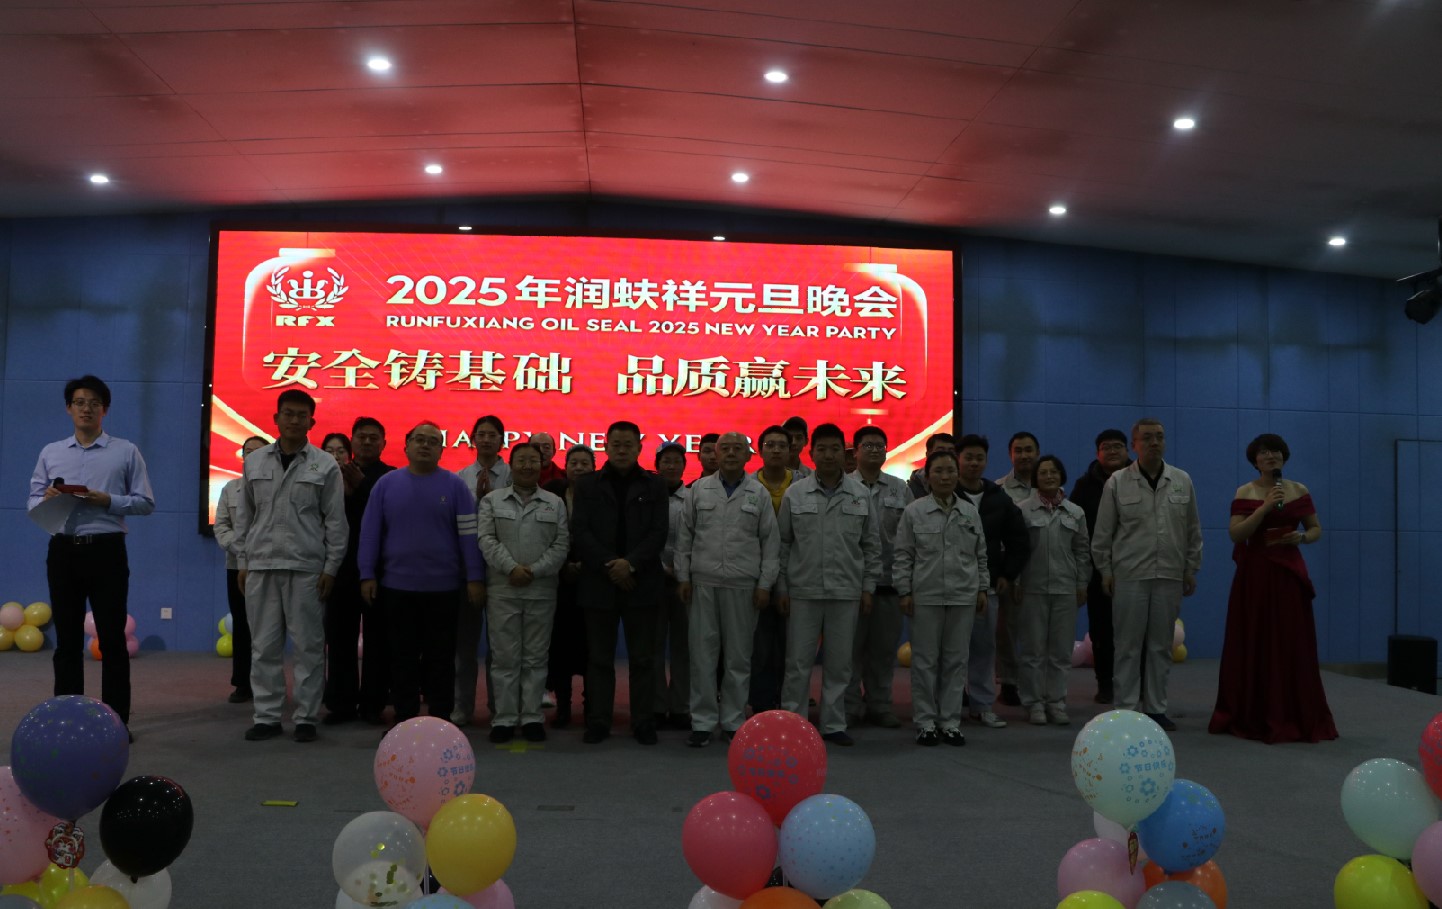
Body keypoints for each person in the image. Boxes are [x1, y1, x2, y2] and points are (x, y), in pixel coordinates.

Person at [28, 375, 155, 739]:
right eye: (80, 402)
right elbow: (32, 501)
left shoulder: (125, 451)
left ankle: (116, 724)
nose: (87, 408)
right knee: (67, 642)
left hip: (106, 549)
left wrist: (108, 500)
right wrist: (46, 500)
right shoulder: (51, 452)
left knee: (112, 640)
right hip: (63, 550)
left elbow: (146, 502)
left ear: (105, 410)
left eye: (94, 403)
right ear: (69, 408)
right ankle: (67, 722)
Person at [233, 389, 348, 743]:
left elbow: (336, 522)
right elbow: (245, 518)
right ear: (276, 418)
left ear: (312, 421)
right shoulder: (254, 462)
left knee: (309, 647)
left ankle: (306, 718)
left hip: (306, 568)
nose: (295, 420)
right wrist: (243, 561)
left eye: (301, 415)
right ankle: (267, 717)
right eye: (288, 413)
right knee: (263, 647)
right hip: (262, 566)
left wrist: (331, 568)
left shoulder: (324, 465)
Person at [1209, 434, 1336, 743]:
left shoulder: (1299, 490)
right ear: (1255, 460)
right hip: (1255, 575)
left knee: (1291, 640)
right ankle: (1253, 711)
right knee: (1256, 637)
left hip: (1289, 574)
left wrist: (1301, 537)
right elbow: (1236, 534)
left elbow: (1315, 528)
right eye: (1264, 452)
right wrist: (1264, 508)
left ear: (1284, 457)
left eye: (1276, 451)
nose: (1271, 456)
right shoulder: (1246, 491)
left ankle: (1294, 711)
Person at [358, 422, 484, 725]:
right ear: (406, 445)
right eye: (419, 439)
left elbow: (469, 536)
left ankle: (440, 722)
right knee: (402, 658)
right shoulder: (386, 484)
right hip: (397, 587)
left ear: (441, 450)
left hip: (444, 590)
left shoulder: (455, 486)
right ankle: (405, 720)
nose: (425, 445)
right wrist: (367, 574)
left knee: (441, 659)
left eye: (433, 441)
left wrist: (475, 577)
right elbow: (370, 532)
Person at [1092, 418, 1202, 732]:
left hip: (1169, 573)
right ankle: (1126, 709)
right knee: (1127, 645)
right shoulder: (1117, 482)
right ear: (1134, 445)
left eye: (1160, 437)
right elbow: (1103, 533)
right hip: (1129, 574)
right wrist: (1105, 570)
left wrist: (1191, 567)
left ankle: (1156, 709)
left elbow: (1193, 529)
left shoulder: (1181, 480)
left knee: (1160, 645)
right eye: (1148, 438)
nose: (1155, 442)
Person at [777, 423, 880, 747]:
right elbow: (783, 544)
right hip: (803, 590)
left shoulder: (860, 494)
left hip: (846, 590)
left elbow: (871, 546)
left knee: (839, 663)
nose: (828, 455)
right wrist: (782, 587)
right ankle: (794, 723)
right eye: (821, 449)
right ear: (811, 453)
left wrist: (868, 588)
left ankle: (833, 724)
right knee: (798, 662)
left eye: (835, 449)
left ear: (844, 453)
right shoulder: (796, 493)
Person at [677, 431, 779, 747]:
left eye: (738, 448)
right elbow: (684, 538)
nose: (731, 453)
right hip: (703, 583)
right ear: (715, 455)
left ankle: (734, 720)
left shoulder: (758, 493)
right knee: (702, 656)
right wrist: (683, 577)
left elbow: (770, 543)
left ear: (748, 456)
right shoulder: (698, 490)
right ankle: (703, 722)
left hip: (743, 586)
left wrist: (765, 584)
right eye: (726, 449)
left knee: (738, 658)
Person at [571, 421, 669, 745]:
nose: (622, 450)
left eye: (628, 444)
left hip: (642, 583)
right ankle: (599, 721)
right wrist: (612, 565)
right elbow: (580, 531)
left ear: (639, 448)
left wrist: (630, 564)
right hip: (599, 583)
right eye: (616, 444)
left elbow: (658, 532)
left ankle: (643, 721)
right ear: (606, 446)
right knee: (599, 659)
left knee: (643, 659)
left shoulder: (655, 485)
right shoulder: (587, 485)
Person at [894, 450, 988, 747]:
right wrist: (904, 591)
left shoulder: (969, 511)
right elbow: (903, 554)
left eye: (950, 471)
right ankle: (925, 722)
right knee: (924, 661)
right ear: (927, 476)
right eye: (938, 471)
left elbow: (980, 554)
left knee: (956, 661)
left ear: (957, 475)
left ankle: (950, 722)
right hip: (926, 595)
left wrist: (982, 588)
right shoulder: (914, 511)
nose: (945, 477)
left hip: (963, 595)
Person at [478, 442, 570, 743]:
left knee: (535, 657)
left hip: (541, 590)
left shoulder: (554, 503)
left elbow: (561, 545)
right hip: (503, 590)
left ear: (541, 465)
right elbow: (486, 539)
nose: (527, 466)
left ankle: (531, 717)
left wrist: (534, 570)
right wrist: (511, 568)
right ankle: (504, 719)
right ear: (512, 464)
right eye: (521, 460)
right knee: (504, 658)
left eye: (533, 460)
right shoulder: (492, 500)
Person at [324, 416, 395, 726]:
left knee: (379, 641)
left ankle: (372, 705)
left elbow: (389, 517)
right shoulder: (332, 474)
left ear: (383, 443)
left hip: (379, 570)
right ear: (351, 441)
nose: (367, 442)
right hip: (340, 567)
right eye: (361, 437)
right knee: (340, 638)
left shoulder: (392, 477)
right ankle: (340, 704)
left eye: (373, 438)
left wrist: (363, 488)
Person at [955, 434, 1029, 730]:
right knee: (949, 652)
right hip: (949, 588)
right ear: (958, 460)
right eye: (968, 457)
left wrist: (1007, 575)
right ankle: (946, 708)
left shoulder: (998, 497)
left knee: (984, 649)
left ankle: (982, 706)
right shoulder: (945, 493)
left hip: (986, 588)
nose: (974, 463)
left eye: (979, 458)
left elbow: (1019, 540)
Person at [844, 426, 912, 729]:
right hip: (850, 584)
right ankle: (848, 706)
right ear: (856, 451)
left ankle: (880, 705)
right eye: (868, 445)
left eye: (879, 446)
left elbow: (910, 537)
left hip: (889, 583)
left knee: (883, 652)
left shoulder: (900, 488)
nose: (874, 450)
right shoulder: (844, 486)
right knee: (849, 652)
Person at [1015, 455, 1091, 726]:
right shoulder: (1022, 510)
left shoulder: (1075, 512)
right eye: (1043, 472)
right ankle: (1034, 703)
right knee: (1033, 651)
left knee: (1060, 652)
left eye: (1053, 472)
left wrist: (1081, 584)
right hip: (1032, 588)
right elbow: (1016, 551)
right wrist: (1016, 583)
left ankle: (1056, 702)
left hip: (1065, 589)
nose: (1049, 476)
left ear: (1061, 475)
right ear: (1036, 478)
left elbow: (1082, 551)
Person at [454, 414, 510, 726]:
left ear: (502, 440)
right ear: (473, 439)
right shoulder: (460, 478)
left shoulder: (514, 475)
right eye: (481, 434)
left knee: (501, 649)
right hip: (467, 570)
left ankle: (499, 708)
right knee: (464, 647)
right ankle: (461, 708)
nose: (486, 439)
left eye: (492, 435)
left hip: (504, 570)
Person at [1070, 429, 1132, 704]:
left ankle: (1135, 683)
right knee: (1102, 629)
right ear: (1098, 453)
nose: (1113, 451)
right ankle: (1105, 683)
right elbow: (1076, 527)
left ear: (1128, 450)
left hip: (1134, 566)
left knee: (1134, 630)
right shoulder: (1084, 486)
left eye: (1118, 446)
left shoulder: (1140, 479)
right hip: (1097, 569)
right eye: (1106, 447)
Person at [214, 435, 269, 704]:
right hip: (237, 566)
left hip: (269, 565)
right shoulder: (230, 488)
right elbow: (221, 525)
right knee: (242, 625)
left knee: (267, 628)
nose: (252, 456)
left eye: (259, 452)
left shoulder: (275, 488)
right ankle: (242, 683)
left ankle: (267, 683)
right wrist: (239, 548)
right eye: (248, 452)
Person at [544, 444, 594, 727]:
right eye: (574, 462)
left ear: (594, 467)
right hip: (559, 581)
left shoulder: (602, 494)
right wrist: (564, 566)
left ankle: (591, 707)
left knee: (591, 648)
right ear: (566, 466)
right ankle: (563, 706)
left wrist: (586, 564)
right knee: (560, 648)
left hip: (593, 580)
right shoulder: (553, 492)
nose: (579, 467)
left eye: (585, 463)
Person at [749, 424, 795, 714]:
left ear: (791, 451)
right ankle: (762, 703)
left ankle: (790, 703)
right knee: (760, 646)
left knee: (792, 648)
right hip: (755, 578)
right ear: (760, 450)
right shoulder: (748, 486)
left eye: (782, 445)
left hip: (795, 577)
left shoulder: (802, 484)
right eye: (770, 445)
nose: (776, 450)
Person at [994, 431, 1040, 707]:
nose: (1024, 455)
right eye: (1018, 450)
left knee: (1038, 632)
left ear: (1037, 453)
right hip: (1012, 572)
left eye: (1029, 450)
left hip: (1043, 571)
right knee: (1007, 630)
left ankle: (1038, 684)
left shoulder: (1049, 485)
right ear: (1010, 455)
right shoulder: (998, 490)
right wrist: (1011, 574)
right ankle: (1008, 682)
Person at [653, 442, 691, 729]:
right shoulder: (647, 497)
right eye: (666, 461)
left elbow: (699, 537)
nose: (671, 466)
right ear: (657, 465)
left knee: (683, 648)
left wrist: (681, 571)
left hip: (684, 583)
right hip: (652, 580)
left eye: (676, 461)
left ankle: (680, 706)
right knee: (653, 647)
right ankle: (656, 706)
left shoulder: (693, 498)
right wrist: (659, 567)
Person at [907, 432, 956, 499]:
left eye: (951, 452)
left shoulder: (961, 482)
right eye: (940, 451)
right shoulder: (911, 488)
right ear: (928, 454)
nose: (946, 456)